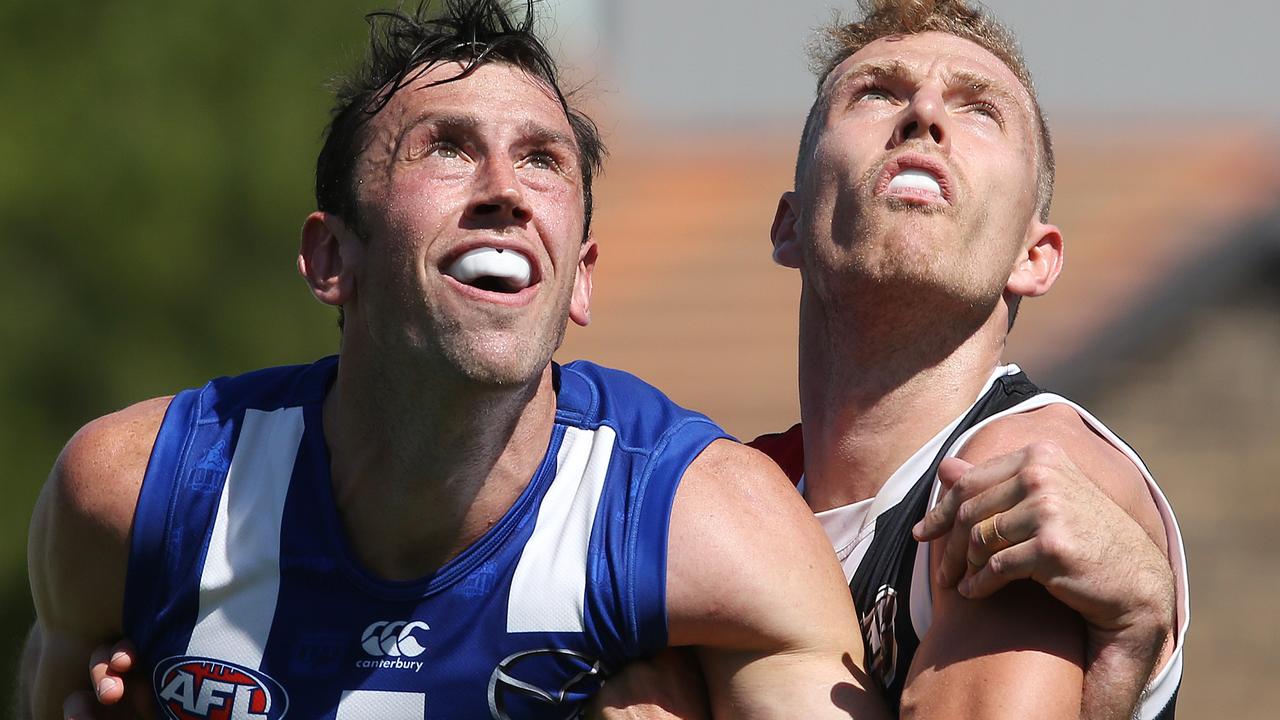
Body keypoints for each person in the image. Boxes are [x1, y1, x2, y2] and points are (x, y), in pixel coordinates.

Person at [21, 2, 891, 719]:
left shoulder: (704, 528)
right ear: (333, 261)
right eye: (445, 147)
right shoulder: (138, 498)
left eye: (542, 160)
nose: (505, 192)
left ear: (579, 281)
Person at [594, 1, 1187, 719]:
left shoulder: (1024, 466)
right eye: (877, 92)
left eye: (979, 110)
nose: (925, 115)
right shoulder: (727, 500)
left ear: (1035, 257)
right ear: (789, 225)